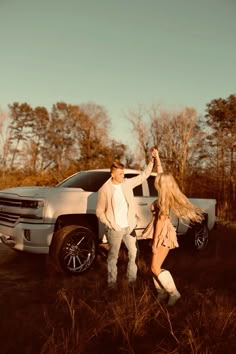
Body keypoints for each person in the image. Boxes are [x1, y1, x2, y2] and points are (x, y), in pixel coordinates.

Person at [96, 149, 157, 289]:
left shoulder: (126, 183)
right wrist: (110, 224)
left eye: (123, 173)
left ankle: (132, 282)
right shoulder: (104, 189)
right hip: (115, 229)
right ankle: (112, 285)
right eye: (120, 173)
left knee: (134, 254)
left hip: (129, 227)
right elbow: (99, 212)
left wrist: (152, 161)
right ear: (112, 174)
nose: (123, 175)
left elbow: (143, 176)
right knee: (113, 258)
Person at [150, 150, 204, 306]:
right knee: (154, 267)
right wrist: (157, 158)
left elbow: (160, 223)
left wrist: (154, 243)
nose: (155, 181)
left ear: (161, 184)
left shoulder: (163, 201)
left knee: (154, 267)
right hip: (160, 232)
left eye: (157, 180)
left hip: (162, 234)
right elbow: (162, 175)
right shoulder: (163, 195)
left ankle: (174, 294)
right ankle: (162, 293)